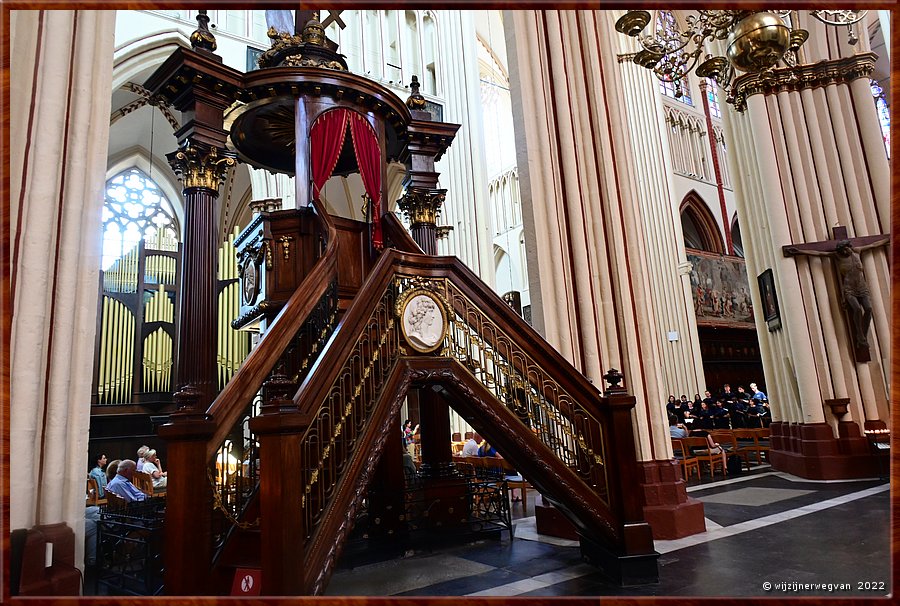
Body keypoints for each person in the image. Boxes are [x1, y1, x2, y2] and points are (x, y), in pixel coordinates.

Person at [785, 237, 889, 348]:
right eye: (843, 250)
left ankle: (862, 335)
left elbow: (874, 244)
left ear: (849, 247)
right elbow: (818, 253)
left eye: (847, 248)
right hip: (849, 289)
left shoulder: (857, 251)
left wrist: (889, 238)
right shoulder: (837, 256)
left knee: (868, 309)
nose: (846, 251)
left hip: (862, 287)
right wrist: (800, 251)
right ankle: (860, 335)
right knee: (857, 309)